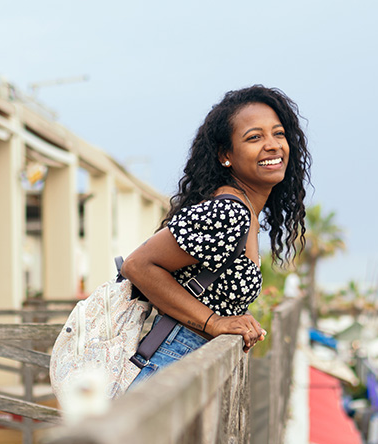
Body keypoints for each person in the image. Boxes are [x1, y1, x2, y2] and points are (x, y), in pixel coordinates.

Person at [121, 85, 312, 386]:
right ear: (226, 155)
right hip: (171, 367)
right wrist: (215, 323)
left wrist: (238, 319)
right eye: (254, 137)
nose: (273, 145)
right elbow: (137, 265)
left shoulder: (246, 211)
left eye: (278, 133)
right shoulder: (228, 212)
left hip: (190, 365)